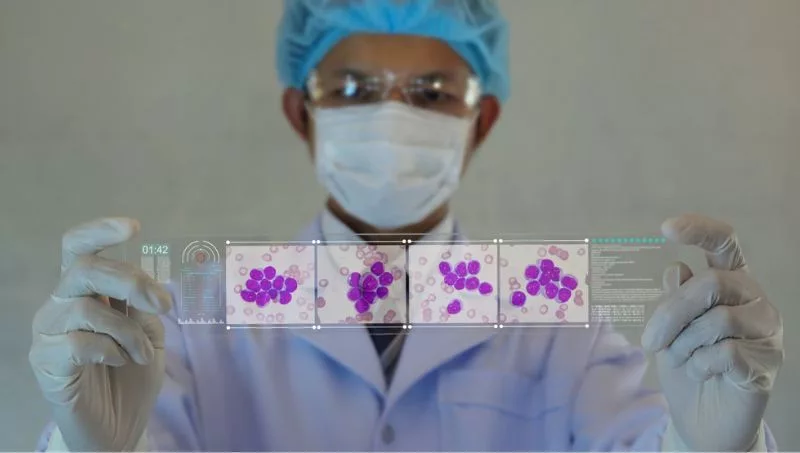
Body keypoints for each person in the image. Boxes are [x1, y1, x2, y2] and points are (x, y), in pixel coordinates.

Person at [29, 0, 783, 451]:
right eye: (353, 88)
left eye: (431, 92)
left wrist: (711, 446)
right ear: (301, 112)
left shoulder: (558, 317)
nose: (392, 116)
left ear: (481, 119)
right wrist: (92, 450)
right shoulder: (198, 314)